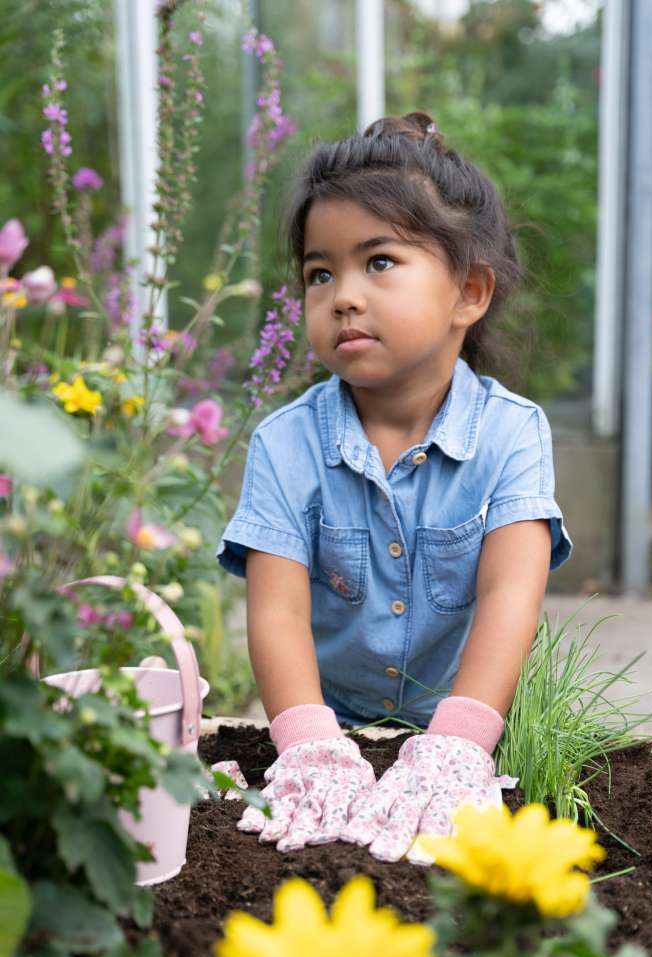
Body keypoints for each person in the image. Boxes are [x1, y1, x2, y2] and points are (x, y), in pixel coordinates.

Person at [217, 111, 572, 863]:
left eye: (378, 262)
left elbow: (511, 594)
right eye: (320, 273)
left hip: (476, 732)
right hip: (335, 731)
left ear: (469, 292)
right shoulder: (284, 444)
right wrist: (310, 747)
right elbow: (277, 612)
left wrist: (458, 746)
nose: (343, 296)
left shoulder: (512, 433)